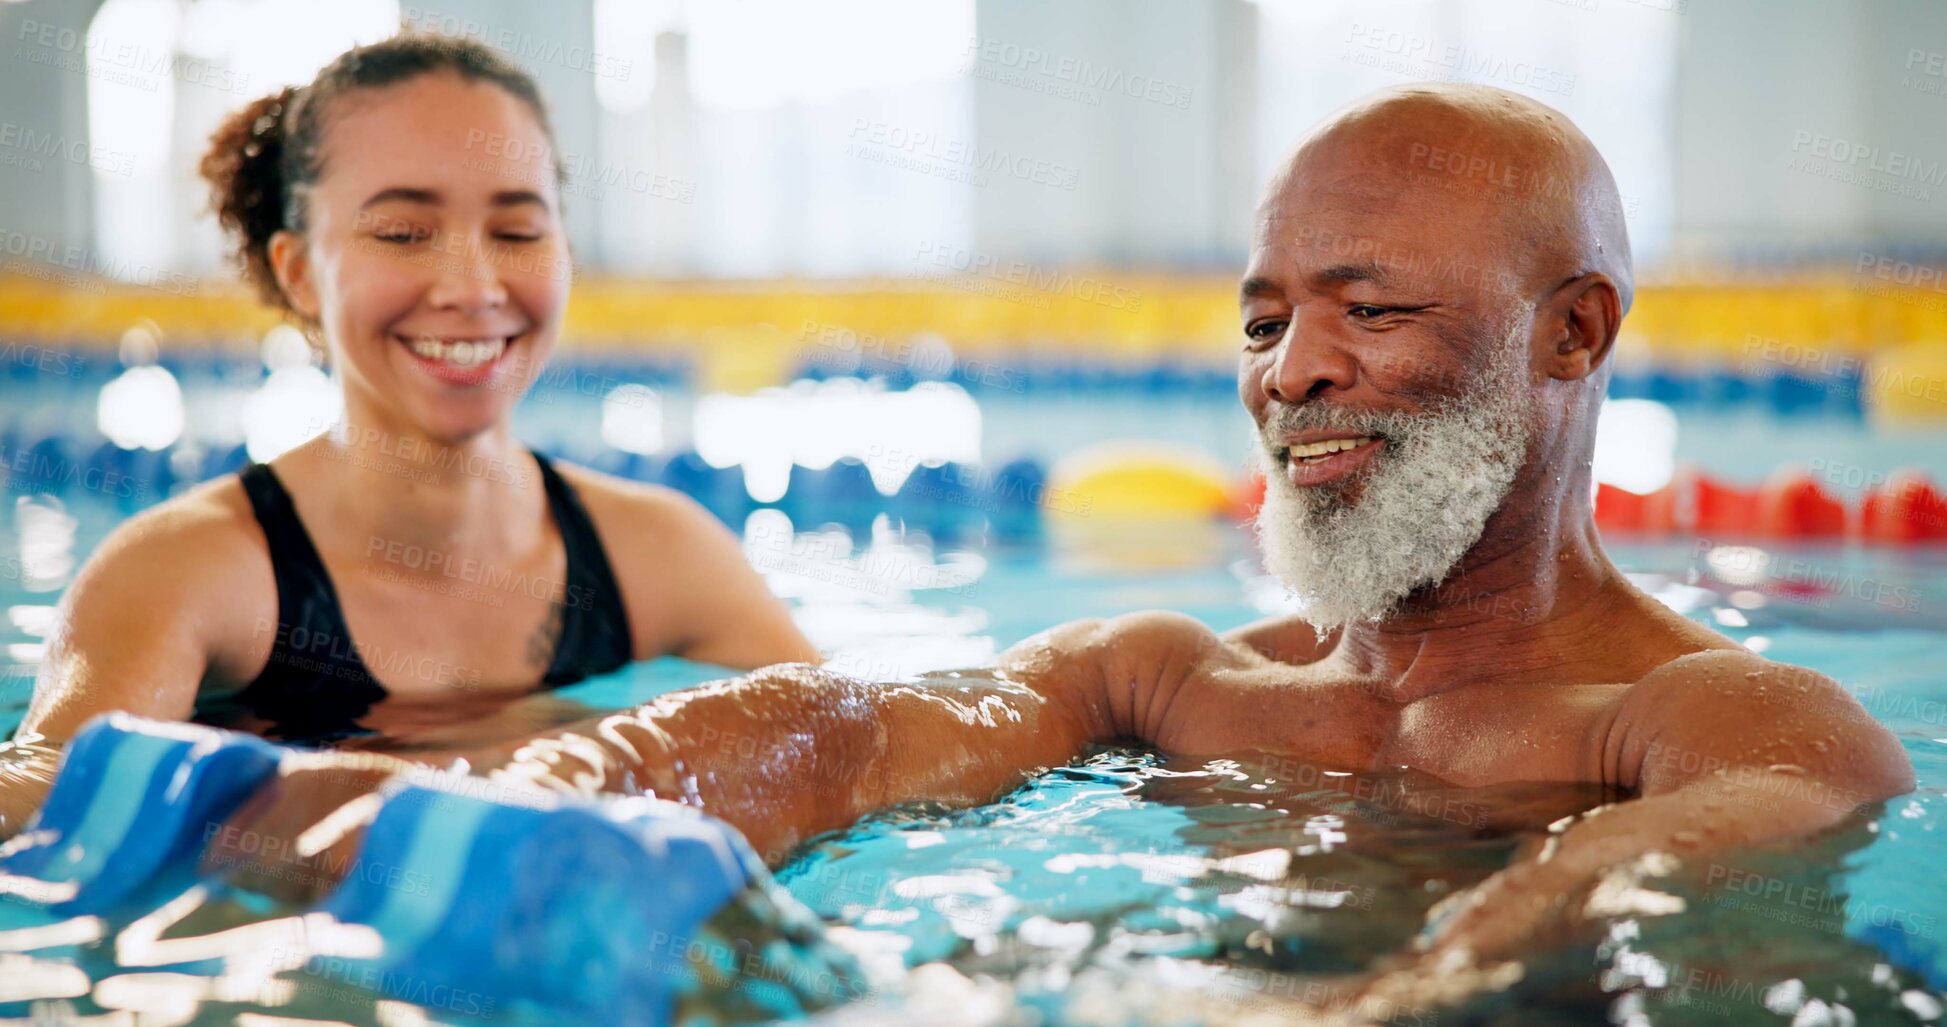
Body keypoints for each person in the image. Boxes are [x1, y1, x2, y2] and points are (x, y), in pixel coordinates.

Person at [30, 83, 1921, 1017]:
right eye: (1264, 320)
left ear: (1573, 333)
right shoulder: (1169, 677)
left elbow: (1559, 928)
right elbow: (844, 726)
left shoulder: (1738, 723)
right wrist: (555, 795)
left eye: (1371, 310)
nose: (1298, 372)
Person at [0, 35, 816, 832]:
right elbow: (50, 794)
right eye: (402, 233)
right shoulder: (188, 573)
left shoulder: (661, 555)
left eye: (517, 231)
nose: (471, 285)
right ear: (298, 271)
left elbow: (858, 736)